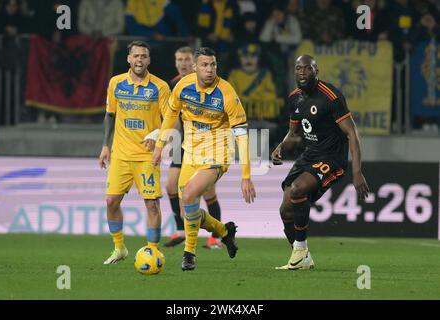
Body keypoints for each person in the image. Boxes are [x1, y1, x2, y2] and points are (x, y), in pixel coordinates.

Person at [152, 47, 256, 271]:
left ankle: (189, 254)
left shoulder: (226, 93)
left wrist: (246, 176)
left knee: (189, 194)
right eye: (205, 65)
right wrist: (160, 145)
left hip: (218, 154)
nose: (210, 70)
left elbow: (242, 134)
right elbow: (170, 116)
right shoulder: (183, 86)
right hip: (190, 153)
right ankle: (224, 231)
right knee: (186, 212)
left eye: (213, 65)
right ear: (195, 67)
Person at [271, 55, 369, 270]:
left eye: (307, 69)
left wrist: (357, 172)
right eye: (298, 69)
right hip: (309, 155)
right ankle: (302, 257)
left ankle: (299, 250)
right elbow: (295, 134)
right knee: (285, 210)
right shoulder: (295, 98)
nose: (302, 73)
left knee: (297, 190)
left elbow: (352, 133)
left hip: (332, 157)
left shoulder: (331, 97)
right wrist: (281, 147)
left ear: (317, 72)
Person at [99, 41, 170, 264]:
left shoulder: (160, 87)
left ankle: (152, 250)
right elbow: (110, 115)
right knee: (111, 201)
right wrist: (105, 146)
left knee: (151, 204)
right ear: (128, 58)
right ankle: (119, 248)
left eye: (144, 56)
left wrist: (158, 140)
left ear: (149, 60)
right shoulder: (116, 83)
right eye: (136, 56)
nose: (139, 60)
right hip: (120, 154)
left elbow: (170, 120)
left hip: (147, 156)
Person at [164, 46, 224, 249]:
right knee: (171, 185)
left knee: (207, 192)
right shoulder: (174, 84)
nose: (183, 63)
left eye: (186, 59)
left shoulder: (207, 82)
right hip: (183, 141)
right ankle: (181, 229)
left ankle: (216, 236)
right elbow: (171, 115)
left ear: (195, 63)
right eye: (179, 59)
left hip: (206, 142)